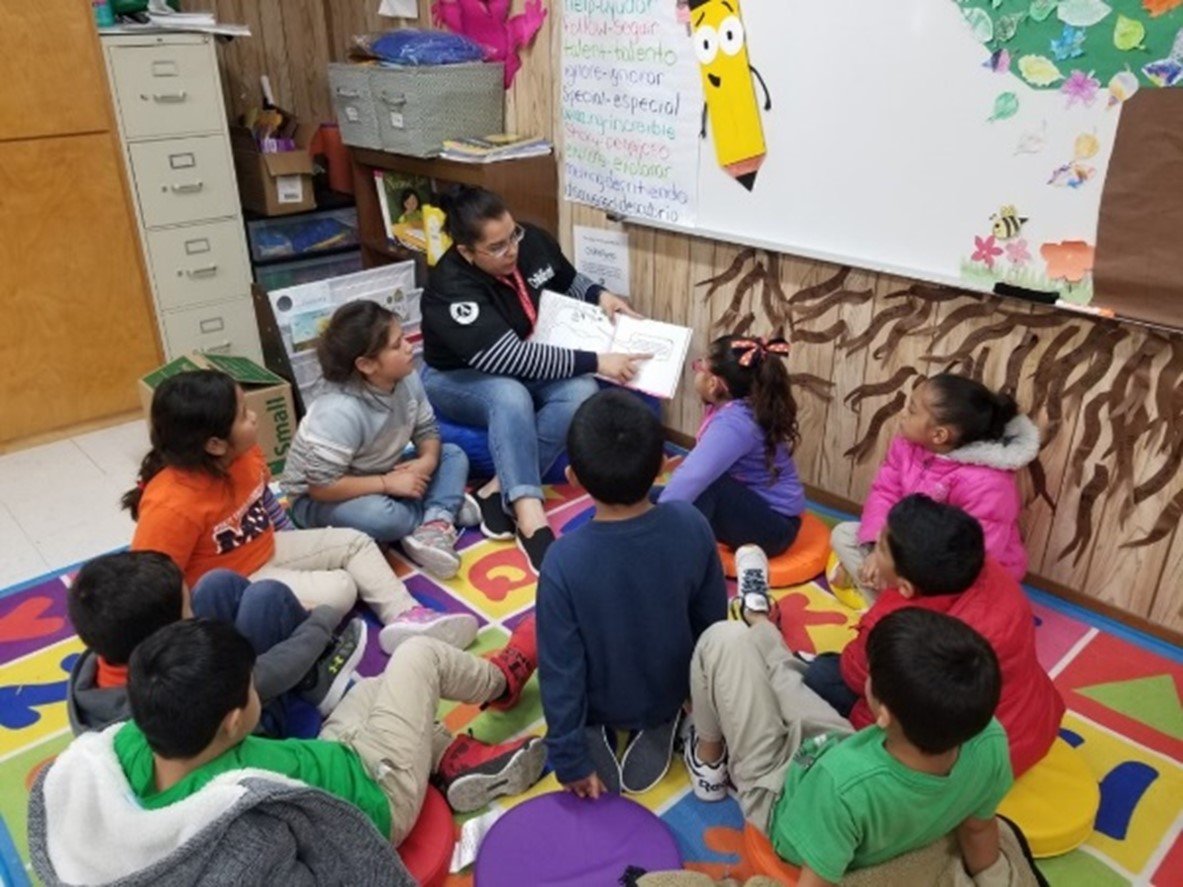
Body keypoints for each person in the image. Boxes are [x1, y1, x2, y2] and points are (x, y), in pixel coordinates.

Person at [33, 618, 545, 881]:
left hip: (331, 758)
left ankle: (448, 760)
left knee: (371, 692)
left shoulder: (128, 745)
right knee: (418, 657)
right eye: (250, 686)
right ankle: (502, 679)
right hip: (378, 794)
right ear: (234, 721)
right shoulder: (243, 812)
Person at [125, 369, 477, 655]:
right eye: (243, 415)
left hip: (270, 547)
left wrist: (310, 549)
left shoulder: (244, 455)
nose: (254, 417)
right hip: (235, 584)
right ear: (214, 444)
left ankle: (404, 615)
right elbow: (152, 586)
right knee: (341, 588)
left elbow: (263, 505)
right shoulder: (171, 503)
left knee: (356, 542)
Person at [685, 594, 1013, 886]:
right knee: (782, 675)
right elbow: (978, 830)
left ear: (883, 714)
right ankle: (760, 625)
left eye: (872, 676)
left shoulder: (843, 786)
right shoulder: (990, 739)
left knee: (723, 639)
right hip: (835, 750)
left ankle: (707, 762)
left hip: (778, 791)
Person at [420, 185, 648, 571]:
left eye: (513, 236)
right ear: (466, 252)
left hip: (523, 359)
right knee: (510, 396)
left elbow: (566, 280)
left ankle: (496, 489)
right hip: (457, 376)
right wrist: (597, 359)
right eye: (496, 247)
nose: (511, 250)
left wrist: (601, 297)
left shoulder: (531, 242)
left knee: (581, 389)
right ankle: (530, 518)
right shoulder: (451, 287)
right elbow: (509, 358)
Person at [537, 390, 728, 796]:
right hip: (671, 689)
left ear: (572, 479)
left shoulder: (562, 561)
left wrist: (568, 759)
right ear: (662, 466)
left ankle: (591, 733)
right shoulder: (692, 525)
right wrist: (700, 694)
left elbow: (560, 670)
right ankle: (664, 719)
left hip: (599, 700)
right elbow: (712, 623)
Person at [807, 495, 1064, 779]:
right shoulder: (986, 570)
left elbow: (855, 673)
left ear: (905, 587)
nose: (875, 545)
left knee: (821, 674)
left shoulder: (898, 623)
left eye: (880, 547)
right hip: (1028, 728)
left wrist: (876, 618)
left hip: (957, 760)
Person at [282, 301, 480, 580]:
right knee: (382, 518)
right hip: (322, 497)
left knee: (452, 455)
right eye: (397, 345)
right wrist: (388, 484)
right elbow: (321, 487)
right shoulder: (338, 410)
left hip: (380, 473)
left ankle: (433, 523)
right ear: (366, 364)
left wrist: (426, 461)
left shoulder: (407, 378)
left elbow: (427, 431)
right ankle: (441, 507)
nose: (409, 346)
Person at [65, 550, 363, 736]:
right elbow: (269, 672)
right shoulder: (170, 688)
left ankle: (312, 671)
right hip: (246, 726)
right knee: (268, 598)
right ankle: (313, 681)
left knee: (217, 583)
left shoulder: (101, 658)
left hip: (212, 698)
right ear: (165, 638)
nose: (195, 611)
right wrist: (323, 618)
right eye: (188, 610)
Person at [830, 374, 1039, 601]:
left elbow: (977, 558)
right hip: (910, 552)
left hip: (959, 575)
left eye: (911, 410)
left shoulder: (988, 483)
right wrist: (877, 550)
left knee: (966, 608)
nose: (902, 414)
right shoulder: (906, 445)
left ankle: (899, 606)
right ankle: (888, 602)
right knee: (844, 535)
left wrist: (907, 572)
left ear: (939, 434)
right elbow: (885, 494)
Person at [659, 334, 804, 556]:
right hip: (756, 507)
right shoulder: (732, 406)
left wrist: (656, 523)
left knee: (703, 486)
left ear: (713, 382)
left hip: (775, 528)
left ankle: (670, 548)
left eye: (699, 366)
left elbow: (694, 476)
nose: (695, 369)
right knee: (665, 494)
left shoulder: (735, 425)